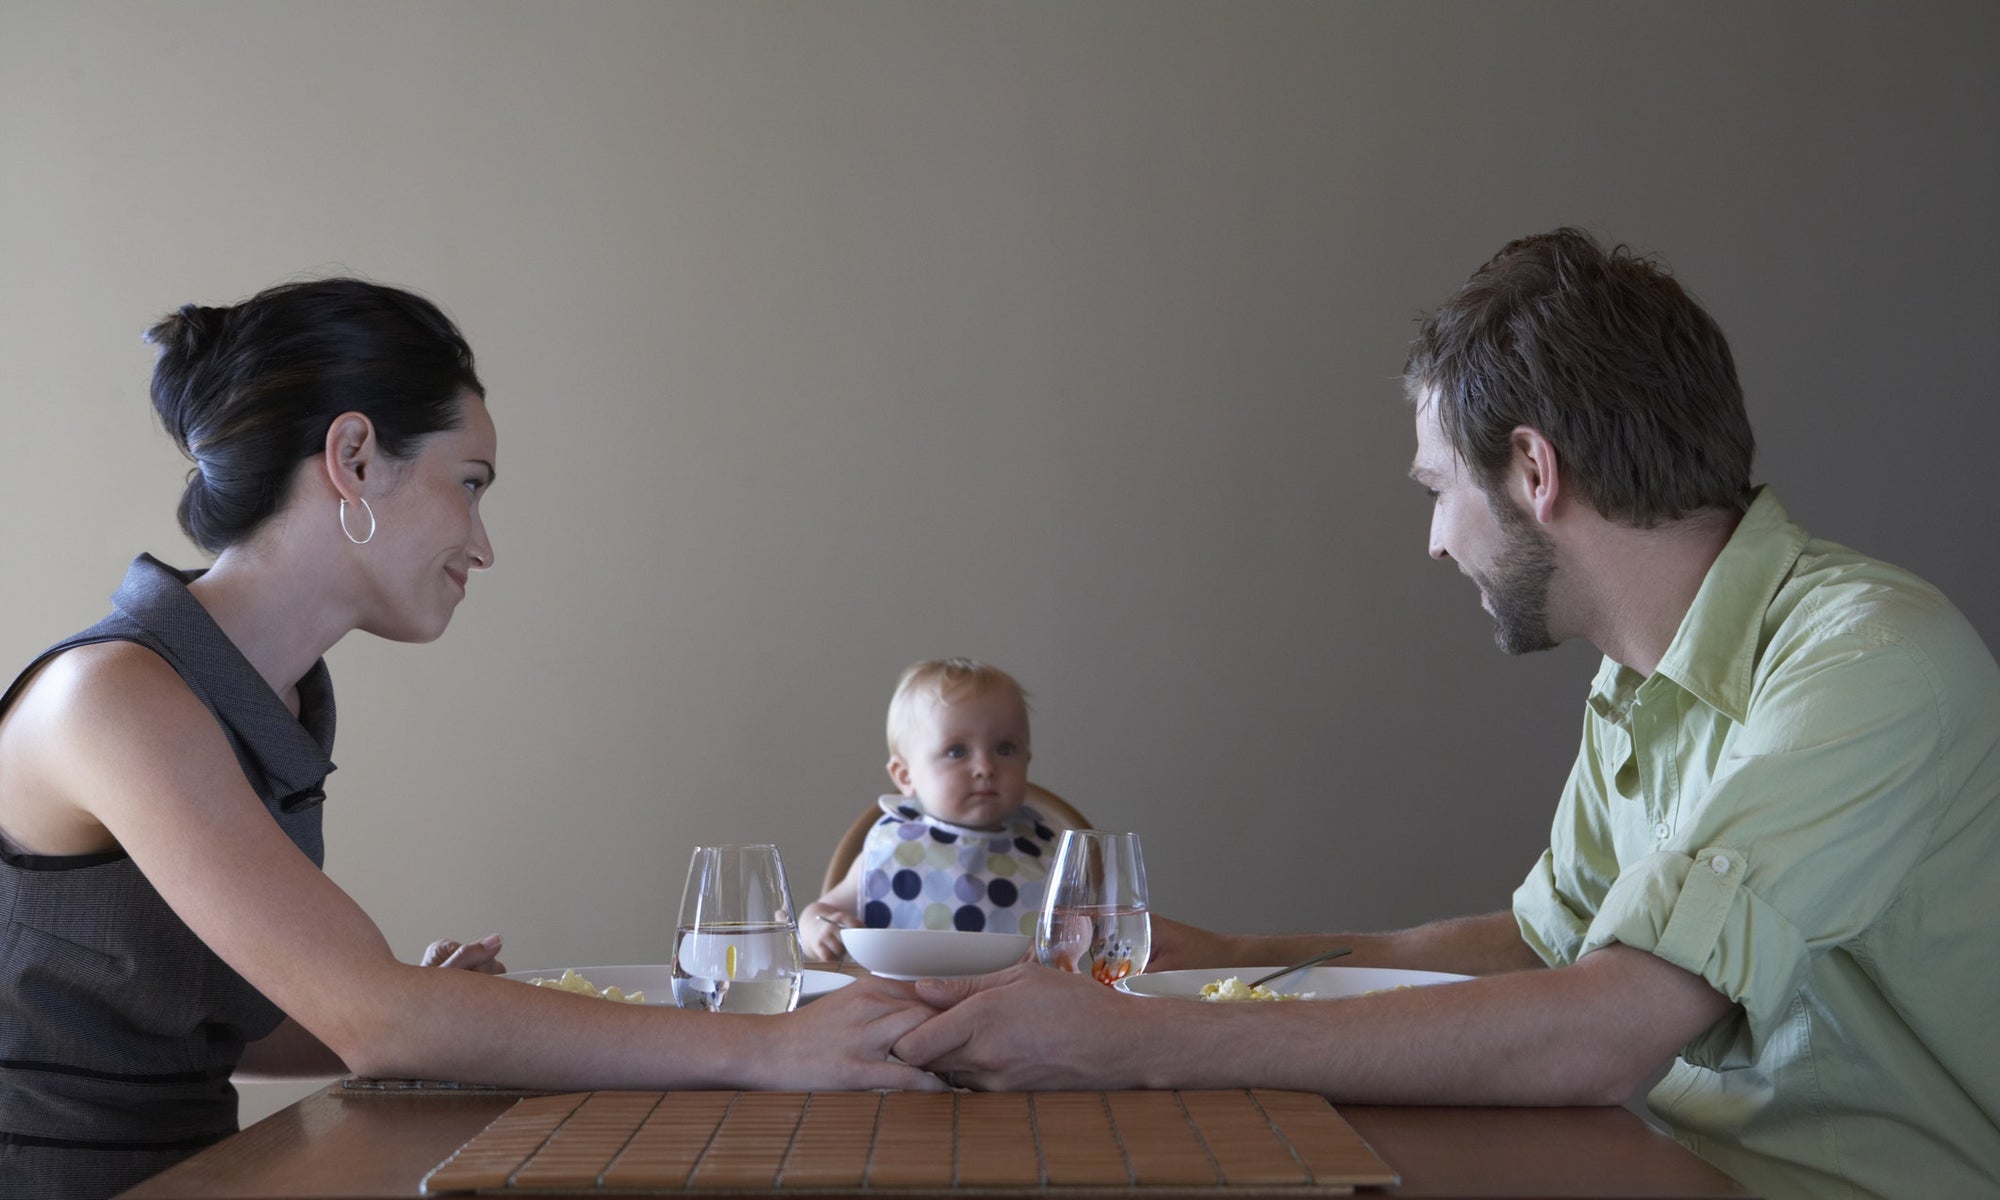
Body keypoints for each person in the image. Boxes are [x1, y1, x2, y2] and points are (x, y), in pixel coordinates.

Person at [892, 229, 2000, 1200]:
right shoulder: (1637, 680)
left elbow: (1602, 1033)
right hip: (1645, 1161)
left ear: (1530, 468)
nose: (1433, 541)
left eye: (1435, 488)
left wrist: (1143, 1039)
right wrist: (1230, 953)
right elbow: (1537, 945)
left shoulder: (1866, 662)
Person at [0, 279, 939, 1200]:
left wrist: (447, 1015)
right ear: (355, 457)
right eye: (470, 484)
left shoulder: (263, 700)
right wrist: (769, 1050)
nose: (482, 546)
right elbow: (376, 1022)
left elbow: (219, 1017)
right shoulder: (113, 696)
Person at [800, 658, 1064, 962]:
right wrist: (819, 930)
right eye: (957, 751)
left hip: (1016, 1006)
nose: (985, 767)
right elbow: (819, 913)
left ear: (1026, 759)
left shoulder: (1044, 852)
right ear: (905, 775)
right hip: (904, 1003)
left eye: (1004, 749)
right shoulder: (892, 848)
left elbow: (1084, 934)